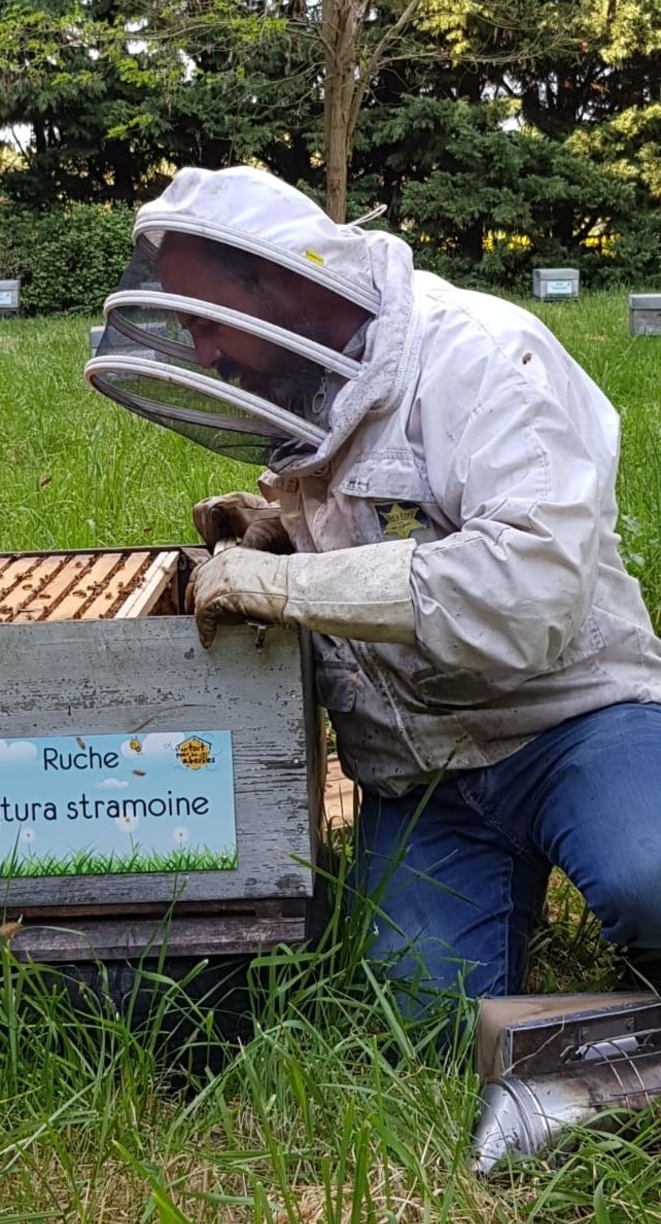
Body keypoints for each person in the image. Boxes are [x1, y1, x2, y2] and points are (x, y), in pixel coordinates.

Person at [87, 164, 661, 1007]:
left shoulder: (485, 358)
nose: (205, 352)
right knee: (424, 1018)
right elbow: (387, 528)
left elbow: (526, 591)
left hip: (569, 719)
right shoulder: (309, 379)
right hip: (420, 774)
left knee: (648, 872)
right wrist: (279, 534)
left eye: (212, 322)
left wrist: (288, 586)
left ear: (282, 284)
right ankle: (502, 877)